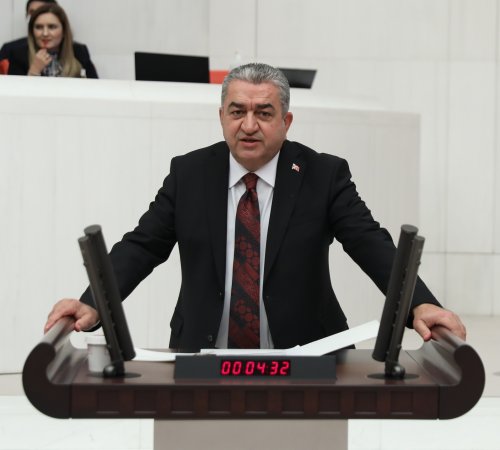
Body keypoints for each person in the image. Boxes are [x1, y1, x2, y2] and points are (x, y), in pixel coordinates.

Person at [44, 63, 465, 350]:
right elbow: (142, 245)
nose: (248, 125)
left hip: (307, 353)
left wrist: (420, 303)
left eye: (264, 113)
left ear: (286, 121)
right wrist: (93, 301)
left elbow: (370, 243)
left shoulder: (323, 175)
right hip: (204, 354)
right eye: (237, 112)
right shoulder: (189, 173)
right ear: (221, 117)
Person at [6, 3, 98, 78]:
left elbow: (96, 87)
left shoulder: (79, 51)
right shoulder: (18, 54)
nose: (45, 33)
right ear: (32, 31)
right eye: (39, 27)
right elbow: (14, 93)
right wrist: (34, 71)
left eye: (52, 27)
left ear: (64, 30)